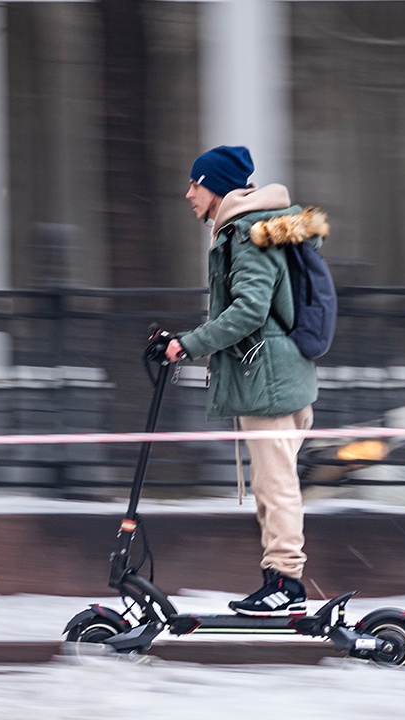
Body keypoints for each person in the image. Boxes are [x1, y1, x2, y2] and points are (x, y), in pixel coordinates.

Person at [164, 145, 326, 617]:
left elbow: (250, 310)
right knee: (273, 484)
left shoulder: (246, 233)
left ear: (216, 186)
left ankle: (286, 584)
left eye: (195, 183)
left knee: (275, 486)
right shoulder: (264, 228)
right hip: (282, 374)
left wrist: (189, 344)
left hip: (268, 381)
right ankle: (278, 579)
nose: (188, 193)